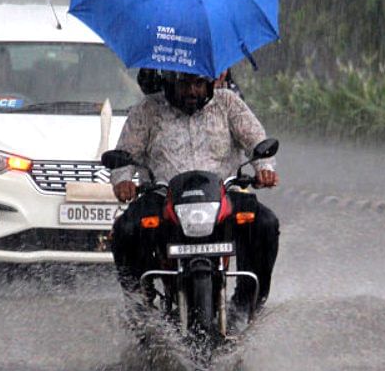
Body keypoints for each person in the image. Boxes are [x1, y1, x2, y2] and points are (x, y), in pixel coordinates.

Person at [109, 70, 280, 319]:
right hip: (163, 197)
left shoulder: (228, 103)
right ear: (170, 81)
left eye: (199, 83)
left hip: (223, 197)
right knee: (125, 230)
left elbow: (256, 141)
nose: (192, 91)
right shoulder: (147, 110)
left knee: (265, 223)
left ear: (210, 82)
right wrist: (123, 180)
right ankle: (140, 306)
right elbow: (125, 153)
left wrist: (264, 169)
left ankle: (247, 302)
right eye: (185, 83)